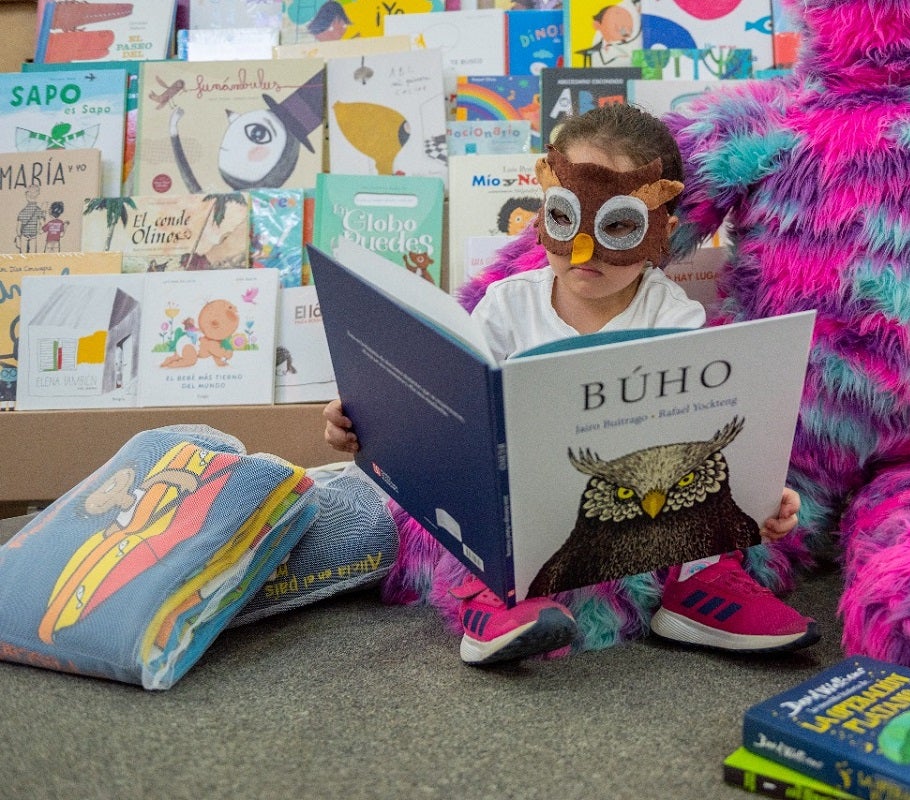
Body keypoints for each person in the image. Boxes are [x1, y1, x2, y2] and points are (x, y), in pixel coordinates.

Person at [323, 103, 820, 666]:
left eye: (621, 227)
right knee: (471, 517)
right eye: (566, 217)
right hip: (522, 513)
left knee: (711, 498)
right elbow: (453, 408)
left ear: (663, 232)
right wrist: (366, 417)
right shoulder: (507, 306)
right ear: (543, 212)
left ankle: (698, 592)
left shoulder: (673, 318)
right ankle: (491, 604)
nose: (586, 250)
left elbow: (706, 437)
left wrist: (760, 496)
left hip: (639, 514)